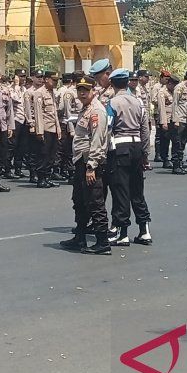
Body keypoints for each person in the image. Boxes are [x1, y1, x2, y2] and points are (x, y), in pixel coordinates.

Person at [60, 76, 111, 255]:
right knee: (79, 201)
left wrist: (91, 167)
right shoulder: (86, 109)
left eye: (86, 90)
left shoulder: (96, 111)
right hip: (81, 160)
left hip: (90, 162)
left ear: (93, 91)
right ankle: (80, 236)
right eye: (80, 90)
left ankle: (102, 242)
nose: (82, 93)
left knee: (95, 202)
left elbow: (97, 141)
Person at [105, 70, 151, 246]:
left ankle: (122, 232)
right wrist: (145, 153)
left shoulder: (113, 102)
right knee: (137, 189)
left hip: (120, 146)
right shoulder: (138, 102)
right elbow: (145, 129)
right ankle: (144, 229)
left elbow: (108, 128)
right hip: (137, 146)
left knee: (121, 190)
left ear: (113, 84)